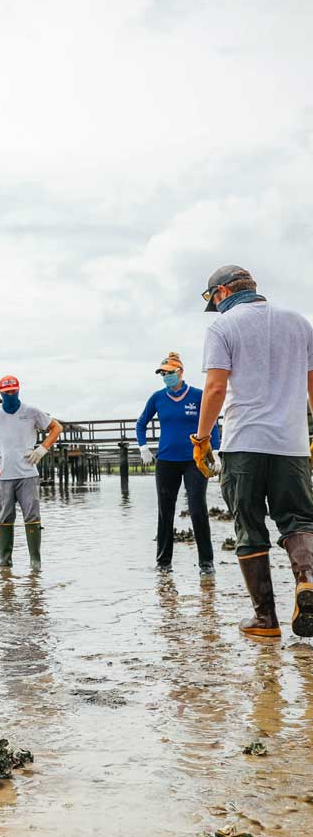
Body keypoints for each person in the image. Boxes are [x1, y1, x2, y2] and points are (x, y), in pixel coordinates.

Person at [193, 265, 313, 638]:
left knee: (249, 526)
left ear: (223, 292)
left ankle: (265, 619)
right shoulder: (299, 323)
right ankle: (307, 580)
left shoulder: (223, 327)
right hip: (291, 445)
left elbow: (214, 389)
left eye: (214, 300)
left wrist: (201, 439)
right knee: (299, 519)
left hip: (244, 442)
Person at [136, 352, 221, 576]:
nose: (166, 377)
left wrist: (218, 450)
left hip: (195, 460)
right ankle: (164, 562)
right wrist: (143, 446)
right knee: (165, 510)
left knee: (197, 508)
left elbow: (213, 423)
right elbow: (141, 423)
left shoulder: (197, 396)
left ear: (180, 372)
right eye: (162, 374)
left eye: (169, 373)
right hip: (166, 461)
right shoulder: (157, 398)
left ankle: (206, 562)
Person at [0, 375, 62, 570]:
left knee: (32, 515)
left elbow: (56, 427)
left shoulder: (31, 411)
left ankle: (35, 561)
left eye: (13, 391)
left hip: (28, 473)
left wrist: (42, 449)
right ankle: (5, 561)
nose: (10, 395)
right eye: (6, 392)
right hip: (2, 474)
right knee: (4, 516)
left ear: (19, 390)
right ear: (1, 393)